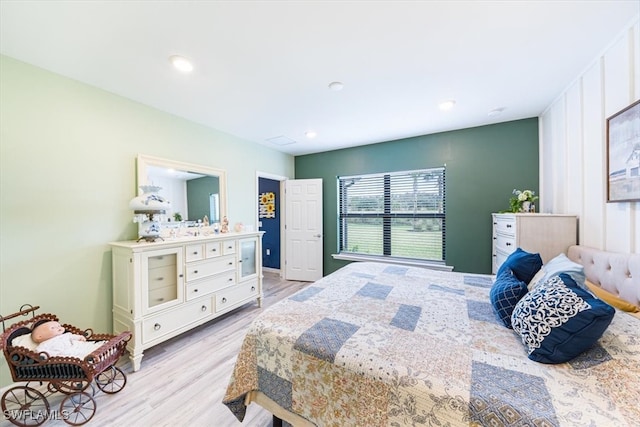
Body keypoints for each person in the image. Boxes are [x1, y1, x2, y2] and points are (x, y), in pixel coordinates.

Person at [31, 320, 104, 359]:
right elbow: (40, 352)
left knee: (87, 347)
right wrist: (45, 356)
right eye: (53, 328)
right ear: (39, 336)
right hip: (64, 354)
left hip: (74, 347)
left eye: (59, 326)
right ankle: (92, 358)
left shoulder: (64, 335)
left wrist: (80, 337)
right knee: (79, 356)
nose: (58, 328)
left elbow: (72, 336)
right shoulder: (45, 344)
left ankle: (100, 352)